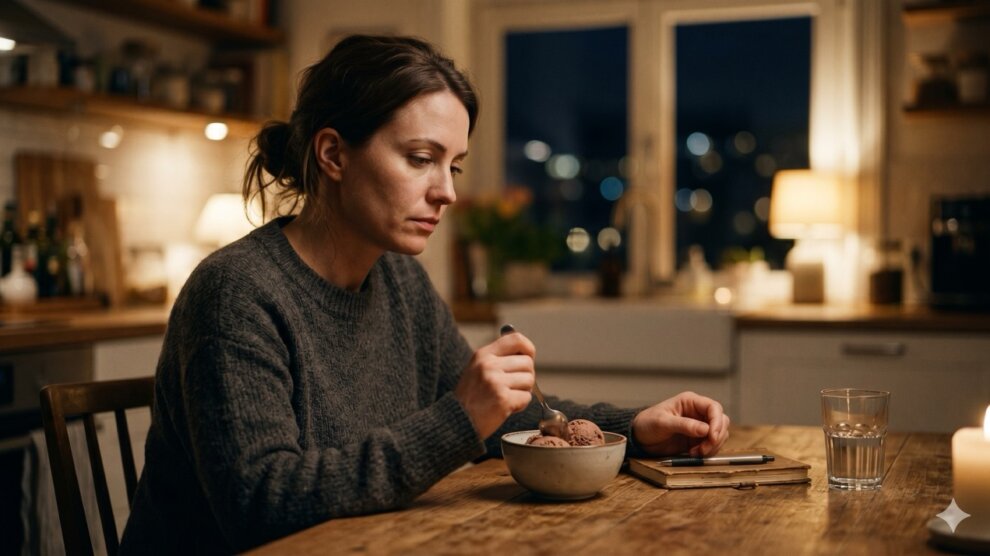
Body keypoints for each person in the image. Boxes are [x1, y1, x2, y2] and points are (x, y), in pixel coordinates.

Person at [119, 34, 729, 554]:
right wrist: (458, 415)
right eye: (420, 159)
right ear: (333, 154)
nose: (447, 193)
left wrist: (635, 428)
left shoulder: (399, 279)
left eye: (453, 166)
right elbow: (261, 504)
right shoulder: (237, 293)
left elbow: (495, 422)